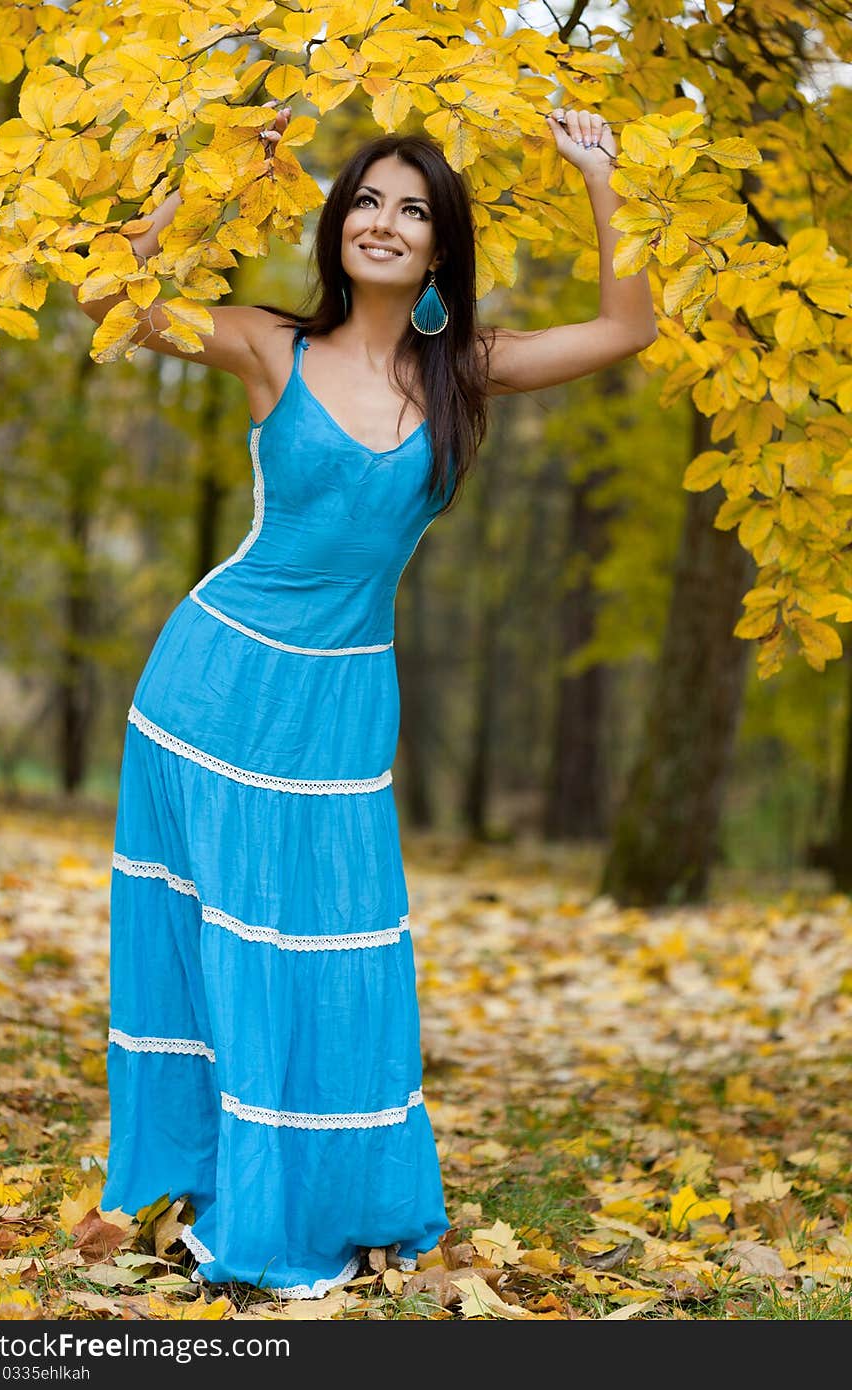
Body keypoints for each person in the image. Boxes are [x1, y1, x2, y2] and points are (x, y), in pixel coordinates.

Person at [71, 99, 657, 1299]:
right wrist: (209, 172)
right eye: (369, 202)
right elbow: (107, 303)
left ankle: (318, 1193)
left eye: (415, 211)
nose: (387, 222)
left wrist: (601, 176)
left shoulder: (466, 371)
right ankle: (223, 1187)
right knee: (223, 949)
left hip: (338, 710)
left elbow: (623, 325)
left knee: (330, 951)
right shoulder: (263, 345)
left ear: (440, 250)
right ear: (339, 226)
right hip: (211, 689)